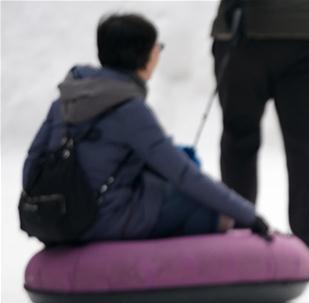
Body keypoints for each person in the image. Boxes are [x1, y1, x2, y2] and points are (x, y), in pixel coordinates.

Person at [23, 13, 271, 242]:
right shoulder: (128, 109)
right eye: (156, 47)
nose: (158, 52)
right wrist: (248, 215)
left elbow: (32, 163)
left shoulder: (65, 99)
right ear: (142, 56)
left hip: (56, 216)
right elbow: (183, 174)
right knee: (202, 208)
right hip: (101, 219)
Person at [211, 0, 309, 263]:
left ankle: (239, 235)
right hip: (308, 31)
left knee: (239, 138)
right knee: (304, 144)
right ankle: (305, 242)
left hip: (246, 29)